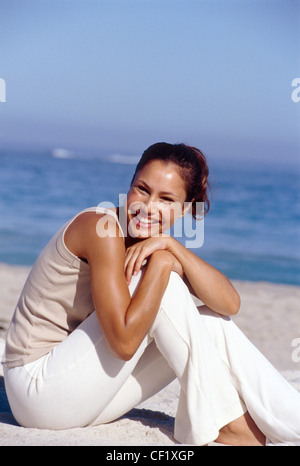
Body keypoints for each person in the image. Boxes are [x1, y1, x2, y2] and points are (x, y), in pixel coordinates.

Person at [2, 142, 300, 446]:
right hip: (36, 390)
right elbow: (123, 344)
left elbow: (228, 304)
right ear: (129, 186)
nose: (148, 206)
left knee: (211, 323)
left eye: (166, 199)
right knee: (166, 285)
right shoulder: (100, 228)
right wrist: (163, 265)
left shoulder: (155, 243)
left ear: (185, 209)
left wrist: (172, 249)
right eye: (142, 190)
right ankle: (228, 424)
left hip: (79, 392)